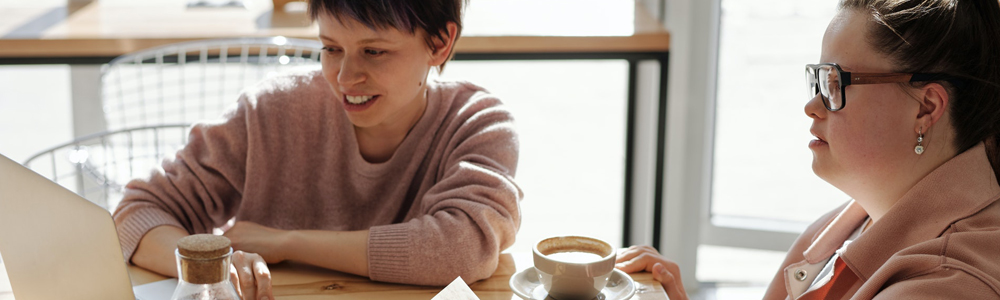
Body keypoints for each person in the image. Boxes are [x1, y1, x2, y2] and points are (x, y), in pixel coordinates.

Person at [112, 1, 522, 299]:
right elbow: (136, 215)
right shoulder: (270, 111)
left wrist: (288, 242)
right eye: (330, 48)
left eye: (374, 51)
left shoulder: (477, 122)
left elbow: (464, 247)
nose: (345, 77)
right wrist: (214, 266)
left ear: (440, 43)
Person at [616, 0, 1000, 299]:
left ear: (925, 107)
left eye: (836, 83)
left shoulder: (947, 286)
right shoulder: (859, 216)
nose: (812, 106)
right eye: (817, 79)